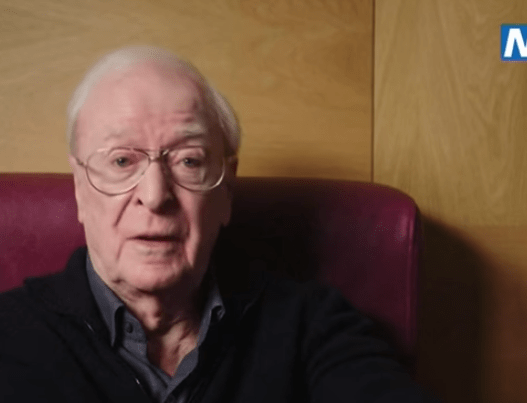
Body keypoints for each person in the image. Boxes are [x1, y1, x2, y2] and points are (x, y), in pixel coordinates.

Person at [0, 46, 435, 403]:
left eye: (189, 161)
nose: (155, 195)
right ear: (80, 189)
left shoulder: (312, 327)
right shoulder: (10, 335)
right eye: (121, 161)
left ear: (226, 189)